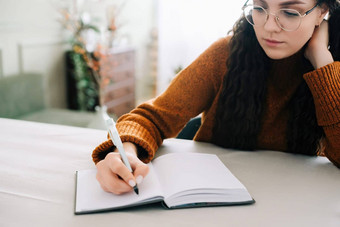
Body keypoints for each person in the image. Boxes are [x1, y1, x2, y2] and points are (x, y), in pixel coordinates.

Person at [92, 0, 340, 195]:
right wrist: (124, 153)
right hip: (212, 202)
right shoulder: (227, 55)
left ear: (322, 12)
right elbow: (151, 118)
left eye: (290, 12)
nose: (269, 26)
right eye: (259, 8)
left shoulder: (332, 69)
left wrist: (322, 63)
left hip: (296, 205)